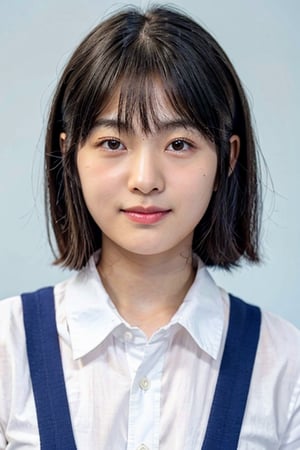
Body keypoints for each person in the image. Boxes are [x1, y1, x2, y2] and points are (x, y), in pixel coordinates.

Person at [0, 5, 299, 449]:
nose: (145, 179)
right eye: (112, 143)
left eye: (179, 144)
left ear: (228, 158)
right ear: (69, 155)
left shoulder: (285, 364)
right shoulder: (8, 349)